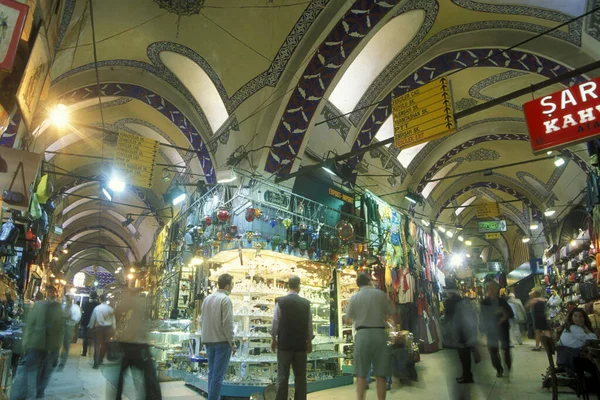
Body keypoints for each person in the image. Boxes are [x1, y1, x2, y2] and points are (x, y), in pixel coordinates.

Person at [343, 273, 394, 400]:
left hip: (362, 335)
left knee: (361, 374)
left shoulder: (354, 298)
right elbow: (391, 313)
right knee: (381, 375)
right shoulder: (380, 294)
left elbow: (348, 319)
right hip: (379, 334)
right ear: (370, 281)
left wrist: (351, 318)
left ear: (358, 284)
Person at [11, 286, 63, 400]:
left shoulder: (58, 308)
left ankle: (39, 393)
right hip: (37, 343)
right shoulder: (39, 306)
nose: (51, 294)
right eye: (49, 291)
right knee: (33, 370)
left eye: (53, 292)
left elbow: (60, 330)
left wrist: (58, 348)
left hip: (50, 346)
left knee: (45, 372)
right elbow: (30, 324)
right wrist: (26, 342)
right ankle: (32, 394)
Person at [115, 287, 162, 399]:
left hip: (130, 343)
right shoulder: (142, 301)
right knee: (148, 375)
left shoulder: (133, 300)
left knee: (121, 376)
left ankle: (117, 397)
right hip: (138, 344)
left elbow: (118, 310)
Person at [271, 276, 313, 400]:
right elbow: (309, 324)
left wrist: (273, 339)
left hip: (284, 344)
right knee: (300, 377)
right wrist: (309, 341)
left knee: (282, 377)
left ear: (288, 286)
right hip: (300, 345)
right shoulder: (306, 304)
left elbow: (275, 321)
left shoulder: (281, 302)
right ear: (299, 286)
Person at [201, 274, 236, 400]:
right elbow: (227, 323)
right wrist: (232, 342)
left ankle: (212, 397)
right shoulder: (225, 300)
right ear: (227, 286)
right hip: (222, 341)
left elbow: (202, 320)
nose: (232, 287)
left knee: (212, 373)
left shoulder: (207, 299)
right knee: (218, 376)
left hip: (208, 340)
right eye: (232, 284)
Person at [480, 280, 513, 378]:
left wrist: (504, 316)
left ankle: (508, 367)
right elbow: (482, 316)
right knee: (493, 351)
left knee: (506, 350)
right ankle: (499, 369)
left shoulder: (502, 301)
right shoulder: (484, 302)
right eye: (490, 289)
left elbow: (511, 314)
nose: (492, 291)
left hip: (503, 329)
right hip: (491, 330)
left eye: (493, 289)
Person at [557, 308, 598, 376]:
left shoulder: (569, 327)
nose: (578, 319)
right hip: (573, 360)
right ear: (571, 318)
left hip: (567, 359)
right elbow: (594, 339)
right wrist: (585, 327)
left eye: (580, 316)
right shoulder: (574, 328)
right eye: (575, 316)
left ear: (584, 318)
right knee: (596, 366)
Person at [452, 291, 480, 383]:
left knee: (465, 359)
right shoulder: (470, 311)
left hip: (463, 339)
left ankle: (467, 376)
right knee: (465, 359)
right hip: (465, 338)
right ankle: (466, 375)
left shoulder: (464, 312)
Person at [88, 293, 116, 369]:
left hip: (98, 329)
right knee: (105, 345)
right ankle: (101, 359)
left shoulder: (97, 308)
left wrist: (90, 327)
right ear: (106, 300)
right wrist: (114, 329)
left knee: (97, 345)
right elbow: (113, 320)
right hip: (108, 329)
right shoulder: (110, 309)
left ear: (100, 300)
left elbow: (93, 319)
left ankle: (96, 362)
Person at [58, 294, 81, 369]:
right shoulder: (67, 307)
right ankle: (60, 359)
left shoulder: (66, 307)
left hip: (66, 326)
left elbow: (77, 317)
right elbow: (77, 318)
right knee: (63, 343)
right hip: (66, 326)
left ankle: (61, 360)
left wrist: (69, 318)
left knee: (63, 343)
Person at [81, 292, 100, 356]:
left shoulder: (86, 304)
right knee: (95, 339)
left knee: (85, 338)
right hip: (95, 323)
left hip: (86, 322)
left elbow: (83, 311)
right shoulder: (98, 305)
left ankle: (84, 352)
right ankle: (95, 353)